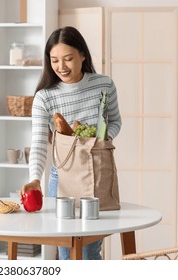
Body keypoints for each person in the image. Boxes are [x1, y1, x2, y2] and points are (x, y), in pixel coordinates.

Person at [20, 26, 122, 260]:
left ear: (83, 55)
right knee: (66, 250)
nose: (61, 67)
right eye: (54, 60)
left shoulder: (104, 85)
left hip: (98, 173)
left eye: (68, 59)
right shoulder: (45, 96)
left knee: (90, 250)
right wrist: (35, 178)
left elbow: (115, 121)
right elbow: (38, 143)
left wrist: (103, 138)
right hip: (62, 177)